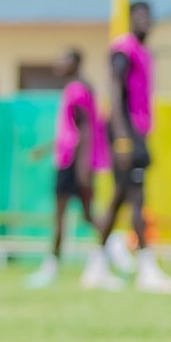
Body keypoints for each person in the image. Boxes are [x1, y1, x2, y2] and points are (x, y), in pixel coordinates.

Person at [84, 0, 171, 295]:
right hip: (126, 133)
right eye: (139, 16)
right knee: (137, 198)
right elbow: (114, 90)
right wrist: (123, 137)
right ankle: (146, 268)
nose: (145, 21)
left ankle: (96, 266)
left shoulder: (142, 52)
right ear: (129, 19)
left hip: (135, 132)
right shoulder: (123, 50)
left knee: (119, 198)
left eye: (148, 16)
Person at [27, 49, 107, 289]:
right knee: (83, 215)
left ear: (75, 63)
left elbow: (86, 130)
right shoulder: (77, 88)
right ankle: (108, 250)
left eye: (65, 59)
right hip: (72, 159)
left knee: (68, 215)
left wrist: (83, 167)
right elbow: (71, 131)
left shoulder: (78, 89)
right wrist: (45, 149)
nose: (59, 63)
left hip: (74, 163)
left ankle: (55, 266)